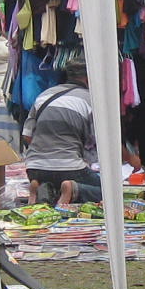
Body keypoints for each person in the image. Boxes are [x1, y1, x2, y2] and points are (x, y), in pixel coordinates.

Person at [23, 59, 99, 206]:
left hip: (34, 168)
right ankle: (74, 189)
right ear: (88, 78)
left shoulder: (44, 95)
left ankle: (39, 188)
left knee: (55, 190)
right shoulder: (90, 99)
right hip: (69, 168)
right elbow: (98, 141)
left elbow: (27, 135)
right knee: (110, 190)